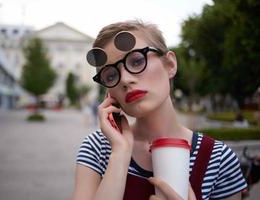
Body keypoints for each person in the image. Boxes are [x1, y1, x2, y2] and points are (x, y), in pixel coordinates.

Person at [72, 20, 247, 200]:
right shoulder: (98, 148)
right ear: (109, 92)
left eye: (137, 61)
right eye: (111, 75)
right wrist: (120, 153)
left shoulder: (218, 159)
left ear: (170, 64)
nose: (125, 79)